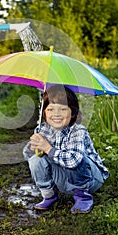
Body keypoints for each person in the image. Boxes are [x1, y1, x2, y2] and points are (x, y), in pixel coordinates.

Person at [23, 85, 109, 213]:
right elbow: (28, 155)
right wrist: (32, 147)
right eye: (50, 109)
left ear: (73, 112)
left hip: (89, 178)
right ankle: (49, 195)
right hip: (63, 178)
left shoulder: (78, 130)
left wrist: (47, 147)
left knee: (75, 158)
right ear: (44, 112)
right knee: (36, 159)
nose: (56, 114)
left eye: (63, 109)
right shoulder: (43, 129)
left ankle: (82, 196)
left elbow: (73, 161)